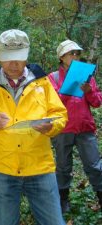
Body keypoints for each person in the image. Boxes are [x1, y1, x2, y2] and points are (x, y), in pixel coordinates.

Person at [0, 29, 68, 225]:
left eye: (18, 58)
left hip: (39, 167)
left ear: (27, 55)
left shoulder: (42, 83)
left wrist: (52, 126)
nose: (13, 64)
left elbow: (60, 115)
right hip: (1, 168)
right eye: (7, 58)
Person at [48, 40, 102, 213]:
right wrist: (68, 88)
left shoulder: (87, 76)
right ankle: (63, 199)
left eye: (77, 53)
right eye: (71, 53)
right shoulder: (53, 77)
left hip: (85, 128)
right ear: (61, 56)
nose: (75, 56)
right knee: (63, 166)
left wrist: (89, 91)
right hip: (63, 128)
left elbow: (97, 103)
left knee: (94, 165)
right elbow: (51, 104)